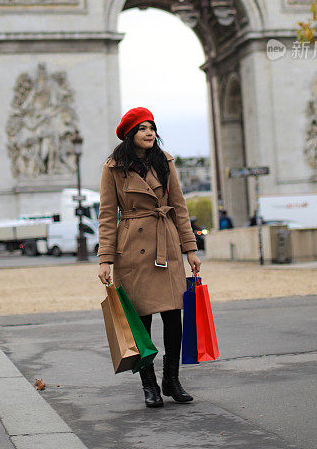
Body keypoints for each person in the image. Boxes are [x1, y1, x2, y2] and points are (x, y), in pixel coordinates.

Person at [98, 107, 201, 408]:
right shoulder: (113, 168)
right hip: (131, 249)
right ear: (131, 134)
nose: (149, 132)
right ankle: (149, 386)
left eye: (152, 127)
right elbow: (106, 215)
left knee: (174, 316)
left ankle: (172, 380)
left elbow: (179, 208)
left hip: (164, 243)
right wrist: (105, 259)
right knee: (140, 321)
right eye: (142, 128)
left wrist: (190, 249)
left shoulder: (165, 162)